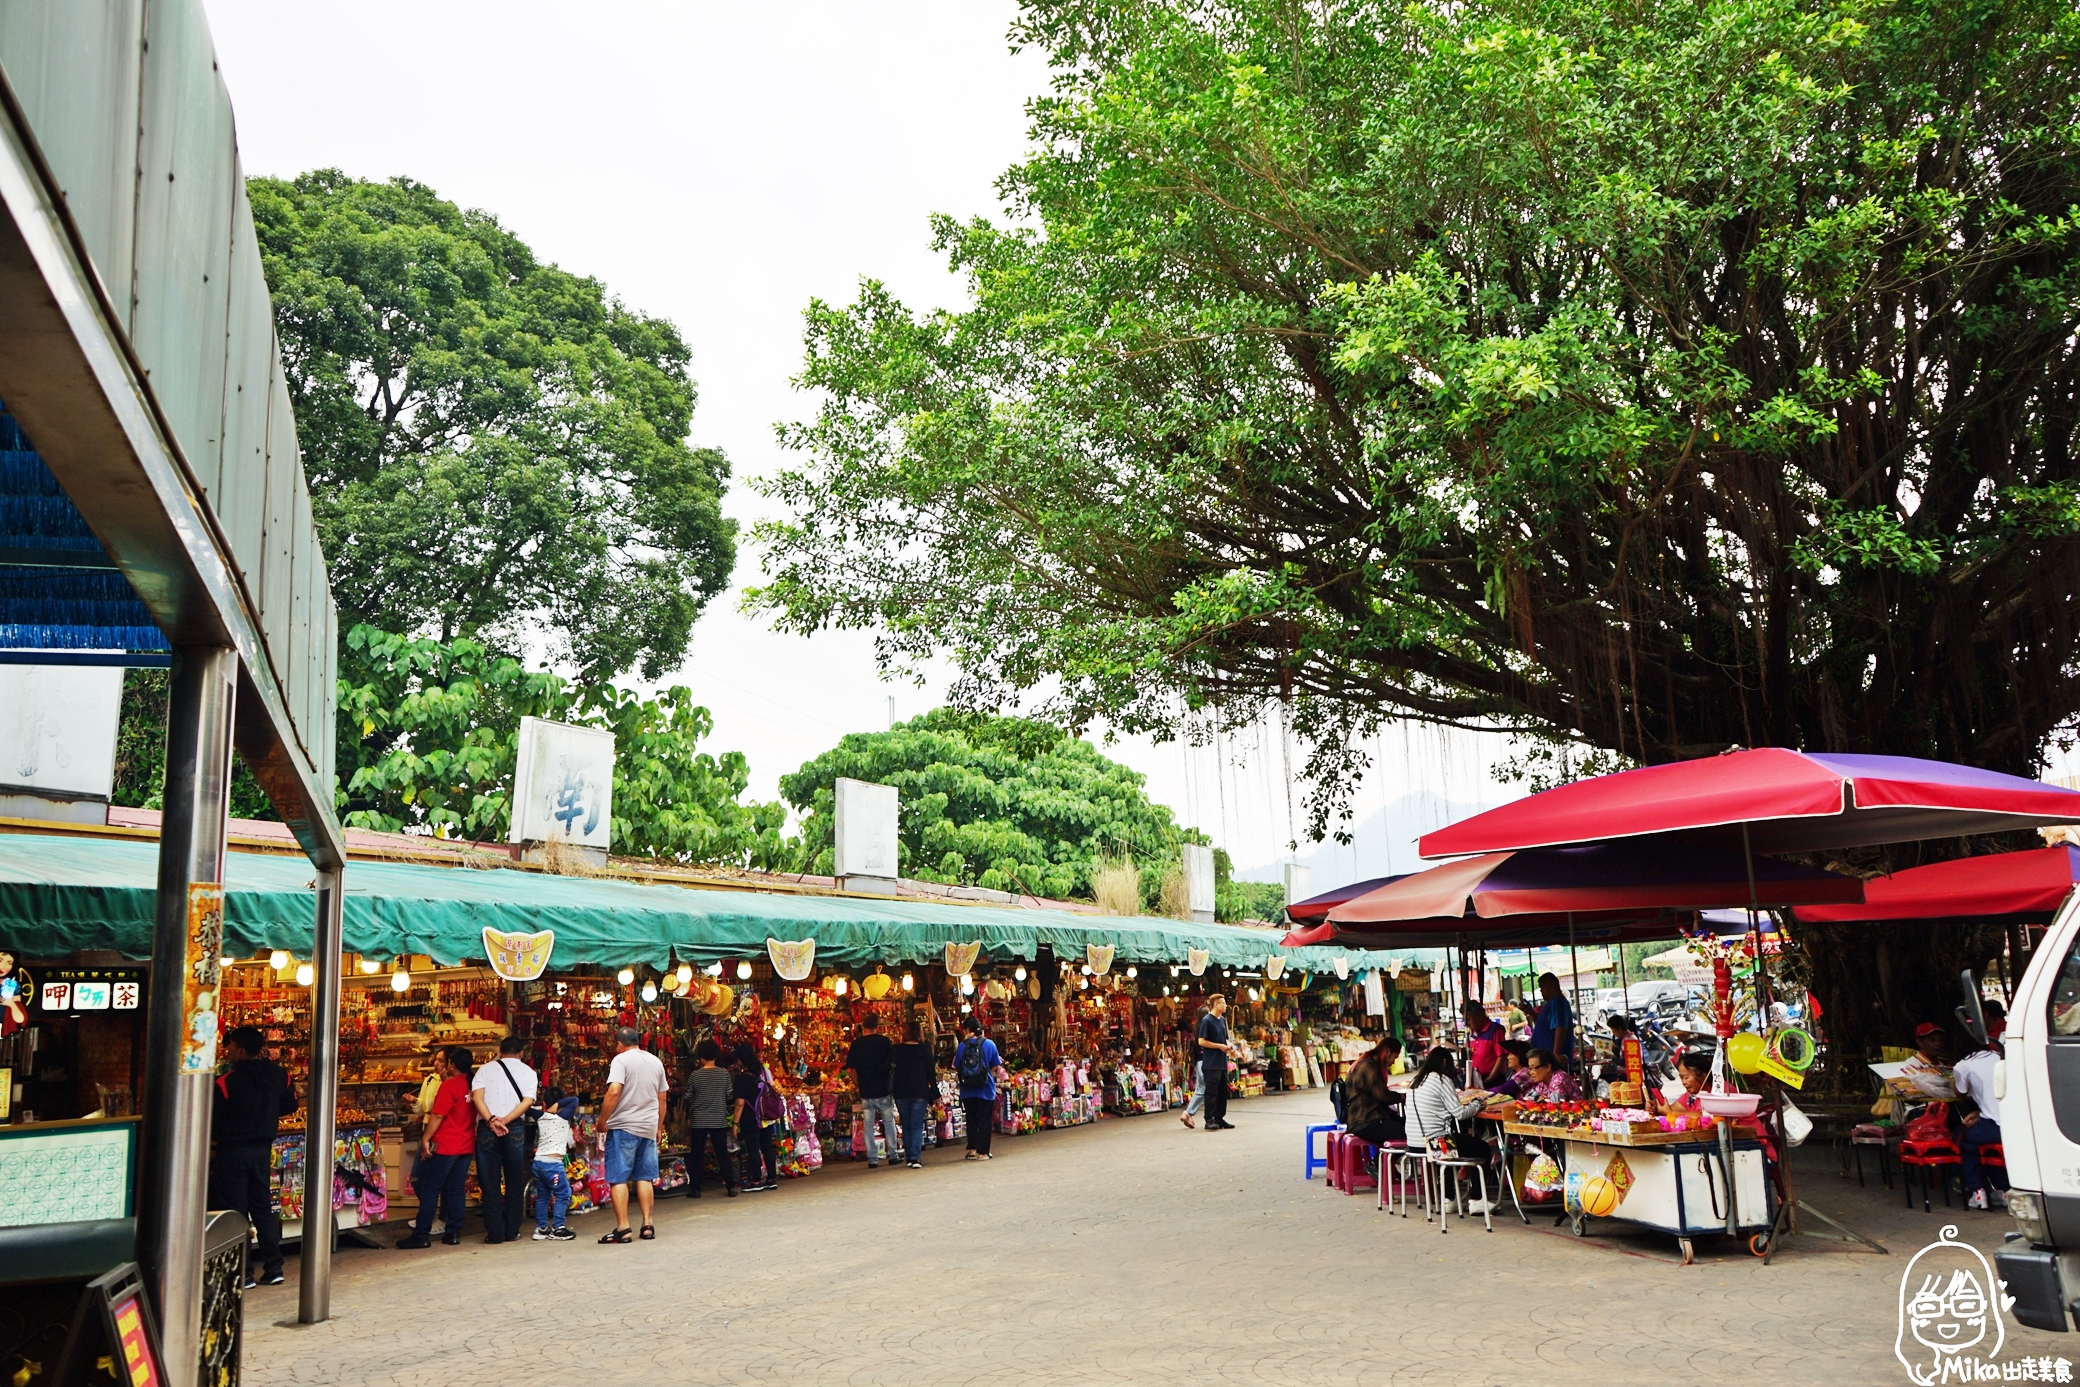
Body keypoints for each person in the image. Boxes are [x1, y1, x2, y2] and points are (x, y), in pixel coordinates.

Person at [209, 1026, 296, 1284]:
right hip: (262, 1152)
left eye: (231, 1046)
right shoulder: (280, 1075)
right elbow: (291, 1105)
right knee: (263, 1209)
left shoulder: (225, 1082)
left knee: (236, 1212)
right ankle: (274, 1268)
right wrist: (267, 1113)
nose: (227, 1051)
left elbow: (214, 1119)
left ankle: (243, 1272)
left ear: (242, 1050)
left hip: (231, 1154)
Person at [397, 1046, 476, 1249]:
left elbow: (438, 1115)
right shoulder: (472, 1084)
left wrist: (426, 1139)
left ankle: (421, 1233)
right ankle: (453, 1232)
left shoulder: (450, 1086)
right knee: (456, 1189)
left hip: (447, 1144)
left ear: (452, 1064)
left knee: (430, 1187)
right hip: (466, 1144)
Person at [598, 1025, 668, 1243]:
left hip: (623, 1126)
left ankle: (623, 1228)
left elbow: (614, 1090)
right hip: (647, 1127)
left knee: (618, 1177)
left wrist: (602, 1120)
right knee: (644, 1176)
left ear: (619, 1044)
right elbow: (662, 1098)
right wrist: (658, 1126)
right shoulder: (655, 1061)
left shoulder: (620, 1060)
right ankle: (647, 1225)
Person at [1406, 1045, 1496, 1213]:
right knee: (1481, 1147)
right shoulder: (1441, 1080)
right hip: (1435, 1143)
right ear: (1445, 1062)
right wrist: (1478, 1103)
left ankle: (1449, 1199)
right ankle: (1477, 1200)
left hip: (1414, 1142)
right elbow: (1460, 1113)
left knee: (1453, 1143)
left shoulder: (1415, 1081)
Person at [470, 1034, 538, 1244]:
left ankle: (494, 1232)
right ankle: (511, 1230)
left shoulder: (484, 1069)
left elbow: (477, 1098)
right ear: (521, 1053)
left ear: (500, 1051)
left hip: (487, 1129)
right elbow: (527, 1102)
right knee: (514, 1180)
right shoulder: (528, 1072)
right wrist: (506, 1120)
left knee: (489, 1182)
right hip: (514, 1128)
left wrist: (492, 1120)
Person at [1953, 1038, 2006, 1209]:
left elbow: (1959, 1092)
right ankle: (2001, 1188)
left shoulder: (1963, 1065)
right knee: (1982, 1143)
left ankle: (1977, 1190)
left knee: (1961, 1136)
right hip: (2015, 1125)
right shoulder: (2001, 1056)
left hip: (1994, 1128)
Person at [684, 1038, 738, 1198]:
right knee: (722, 1152)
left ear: (700, 1057)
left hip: (699, 1119)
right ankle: (730, 1186)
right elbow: (729, 1094)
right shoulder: (724, 1074)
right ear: (716, 1056)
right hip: (719, 1118)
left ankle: (696, 1189)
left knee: (697, 1154)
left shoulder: (695, 1075)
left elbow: (687, 1095)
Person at [845, 1013, 899, 1168]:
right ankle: (893, 1154)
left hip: (866, 1091)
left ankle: (872, 1158)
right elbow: (892, 1065)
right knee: (888, 1123)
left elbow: (852, 1069)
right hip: (883, 1089)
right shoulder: (885, 1042)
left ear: (863, 1024)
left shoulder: (857, 1044)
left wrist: (858, 1084)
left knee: (868, 1125)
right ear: (878, 1025)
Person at [731, 1043, 781, 1192]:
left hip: (751, 1118)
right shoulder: (764, 1071)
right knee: (767, 1148)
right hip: (766, 1116)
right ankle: (772, 1178)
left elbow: (739, 1103)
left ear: (741, 1060)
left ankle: (756, 1180)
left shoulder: (741, 1078)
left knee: (753, 1149)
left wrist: (735, 1123)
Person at [530, 1086, 577, 1241]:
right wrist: (559, 1105)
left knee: (543, 1196)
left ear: (544, 1102)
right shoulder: (563, 1116)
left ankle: (541, 1228)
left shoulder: (540, 1116)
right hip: (552, 1165)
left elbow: (527, 1109)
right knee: (563, 1194)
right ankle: (558, 1228)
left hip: (538, 1163)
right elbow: (575, 1100)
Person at [1342, 1034, 1406, 1146]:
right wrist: (1401, 1097)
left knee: (1406, 1124)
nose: (1393, 1062)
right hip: (1365, 1121)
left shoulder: (1368, 1063)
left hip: (1366, 1119)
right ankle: (1376, 1162)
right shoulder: (1368, 1067)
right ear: (1387, 1052)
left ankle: (1383, 1161)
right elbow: (1384, 1096)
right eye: (1394, 1057)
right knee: (1407, 1131)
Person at [890, 1020, 936, 1169]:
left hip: (901, 1092)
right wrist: (934, 1091)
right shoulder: (924, 1049)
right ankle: (915, 1157)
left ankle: (910, 1156)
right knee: (916, 1125)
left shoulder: (897, 1050)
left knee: (906, 1125)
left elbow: (890, 1070)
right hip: (920, 1092)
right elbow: (931, 1073)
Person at [955, 1017, 1003, 1160]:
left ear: (967, 1030)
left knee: (971, 1118)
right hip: (985, 1088)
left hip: (967, 1089)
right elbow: (995, 1064)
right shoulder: (989, 1044)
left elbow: (957, 1065)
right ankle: (983, 1152)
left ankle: (972, 1149)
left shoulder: (962, 1046)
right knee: (984, 1119)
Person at [1197, 994, 1235, 1131]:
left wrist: (1230, 1047)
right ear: (1216, 1005)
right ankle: (1210, 1118)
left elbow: (1224, 1039)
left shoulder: (1222, 1020)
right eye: (1223, 1003)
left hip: (1222, 1062)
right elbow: (1201, 1041)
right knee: (1211, 1092)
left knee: (1222, 1091)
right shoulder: (1207, 1021)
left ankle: (1220, 1117)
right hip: (1211, 1063)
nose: (1225, 1006)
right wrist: (1219, 1046)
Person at [1895, 1021, 1957, 1102]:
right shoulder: (1910, 1065)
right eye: (1932, 1040)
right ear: (1920, 1042)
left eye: (1940, 1040)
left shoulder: (1941, 1065)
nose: (1938, 1044)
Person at [1528, 973, 1574, 1066]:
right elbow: (1544, 1028)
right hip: (1544, 1057)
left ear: (1550, 984)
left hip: (1551, 1060)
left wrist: (1556, 1053)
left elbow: (1560, 1027)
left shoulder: (1557, 1002)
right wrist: (1532, 1014)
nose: (1541, 991)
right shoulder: (1551, 1003)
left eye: (1542, 987)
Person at [1463, 1001, 1506, 1086]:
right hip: (1476, 1078)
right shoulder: (1471, 1033)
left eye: (1469, 1019)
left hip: (1493, 1080)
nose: (1467, 1024)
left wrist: (1490, 1078)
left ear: (1479, 1015)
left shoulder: (1495, 1030)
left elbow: (1501, 1056)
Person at [1518, 1047, 1584, 1102]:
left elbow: (1555, 1106)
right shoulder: (1542, 1083)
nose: (1531, 1072)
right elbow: (1527, 1100)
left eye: (1534, 1068)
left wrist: (1542, 1101)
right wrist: (1537, 1099)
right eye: (1530, 1068)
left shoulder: (1559, 1078)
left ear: (1548, 1067)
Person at [1660, 1050, 1713, 1115]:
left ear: (1704, 1076)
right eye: (1681, 1078)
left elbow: (1706, 1116)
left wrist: (1670, 1113)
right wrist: (1658, 1109)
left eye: (1686, 1078)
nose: (1683, 1082)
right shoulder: (1690, 1095)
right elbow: (1672, 1109)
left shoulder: (1720, 1091)